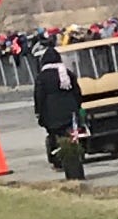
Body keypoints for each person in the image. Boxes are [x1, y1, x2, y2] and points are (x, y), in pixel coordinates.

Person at [31, 40, 81, 170]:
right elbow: (77, 91)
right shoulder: (67, 74)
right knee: (71, 134)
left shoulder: (42, 77)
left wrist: (38, 112)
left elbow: (39, 96)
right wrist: (77, 106)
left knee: (55, 135)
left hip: (51, 112)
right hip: (69, 109)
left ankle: (58, 159)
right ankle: (74, 157)